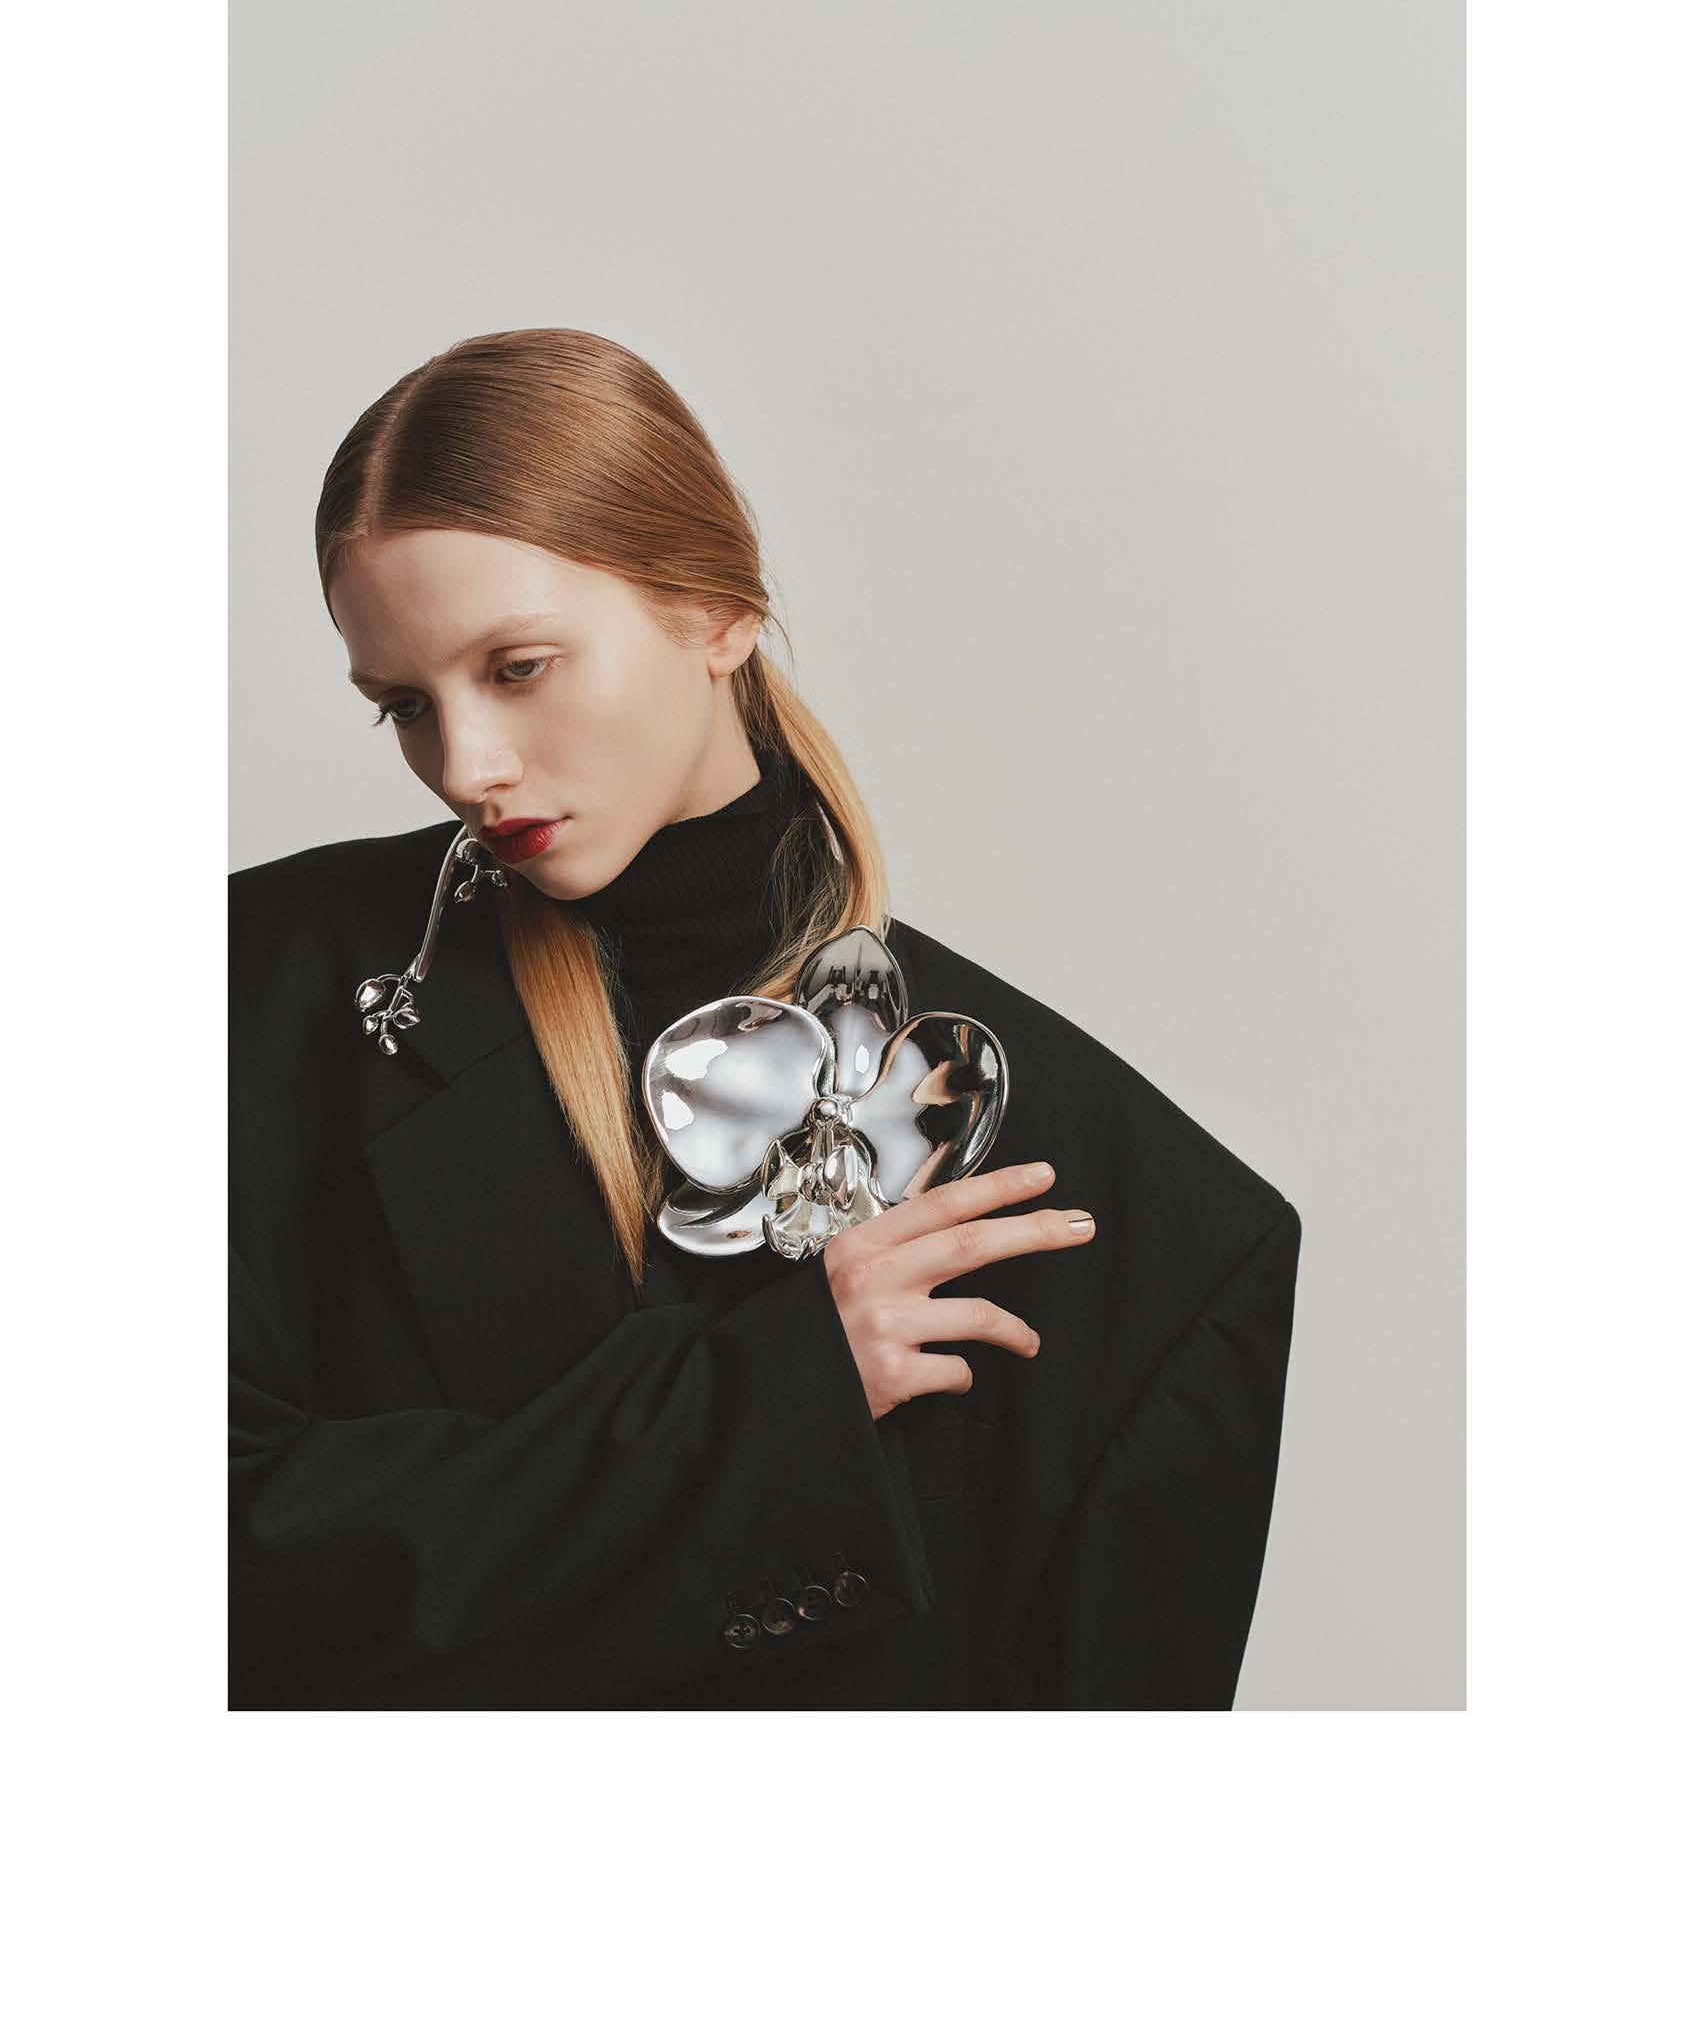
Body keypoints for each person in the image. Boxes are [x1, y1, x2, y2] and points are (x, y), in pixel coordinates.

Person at [229, 324, 1302, 1709]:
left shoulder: (1133, 1225)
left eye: (518, 666)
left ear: (717, 610)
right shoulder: (254, 994)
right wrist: (760, 1411)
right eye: (404, 708)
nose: (468, 767)